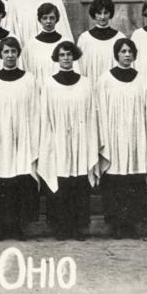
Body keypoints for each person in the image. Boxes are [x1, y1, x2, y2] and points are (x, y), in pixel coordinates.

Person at [95, 37, 147, 238]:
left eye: (130, 52)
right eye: (123, 51)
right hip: (114, 137)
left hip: (136, 136)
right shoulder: (105, 80)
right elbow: (100, 111)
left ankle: (132, 224)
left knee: (133, 180)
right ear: (116, 54)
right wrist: (104, 138)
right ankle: (116, 223)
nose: (127, 55)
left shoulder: (142, 79)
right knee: (115, 180)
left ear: (134, 55)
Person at [37, 40, 99, 240]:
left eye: (69, 55)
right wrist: (48, 140)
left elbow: (91, 113)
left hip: (80, 139)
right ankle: (60, 227)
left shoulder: (85, 82)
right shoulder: (48, 83)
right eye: (62, 55)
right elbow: (44, 114)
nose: (66, 58)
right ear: (57, 58)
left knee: (78, 183)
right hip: (57, 139)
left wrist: (88, 139)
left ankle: (77, 227)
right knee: (61, 182)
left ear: (75, 57)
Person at [0, 37, 39, 241]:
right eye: (6, 52)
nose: (10, 55)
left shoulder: (29, 80)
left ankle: (17, 227)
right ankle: (0, 227)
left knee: (20, 181)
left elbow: (35, 110)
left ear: (18, 54)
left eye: (14, 51)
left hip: (22, 136)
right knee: (1, 183)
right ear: (0, 54)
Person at [21, 3, 72, 83]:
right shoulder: (30, 45)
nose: (48, 21)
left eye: (52, 18)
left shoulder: (66, 42)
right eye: (45, 18)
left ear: (57, 19)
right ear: (40, 20)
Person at [77, 0, 125, 80]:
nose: (102, 17)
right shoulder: (85, 39)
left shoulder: (119, 37)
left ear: (110, 14)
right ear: (94, 15)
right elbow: (80, 66)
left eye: (105, 13)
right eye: (99, 13)